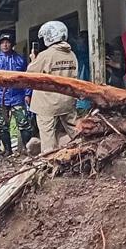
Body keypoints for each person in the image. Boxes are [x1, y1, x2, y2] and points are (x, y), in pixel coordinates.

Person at [27, 20, 79, 154]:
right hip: (67, 100)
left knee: (47, 134)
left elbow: (30, 75)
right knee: (75, 130)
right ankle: (84, 149)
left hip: (47, 103)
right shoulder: (72, 55)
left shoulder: (45, 55)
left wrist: (33, 60)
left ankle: (49, 161)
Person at [0, 34, 32, 156]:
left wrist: (28, 94)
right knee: (1, 125)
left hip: (18, 96)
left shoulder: (20, 60)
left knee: (24, 123)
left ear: (12, 44)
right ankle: (8, 150)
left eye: (7, 42)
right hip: (0, 97)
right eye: (2, 43)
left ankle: (27, 148)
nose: (5, 45)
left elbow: (27, 79)